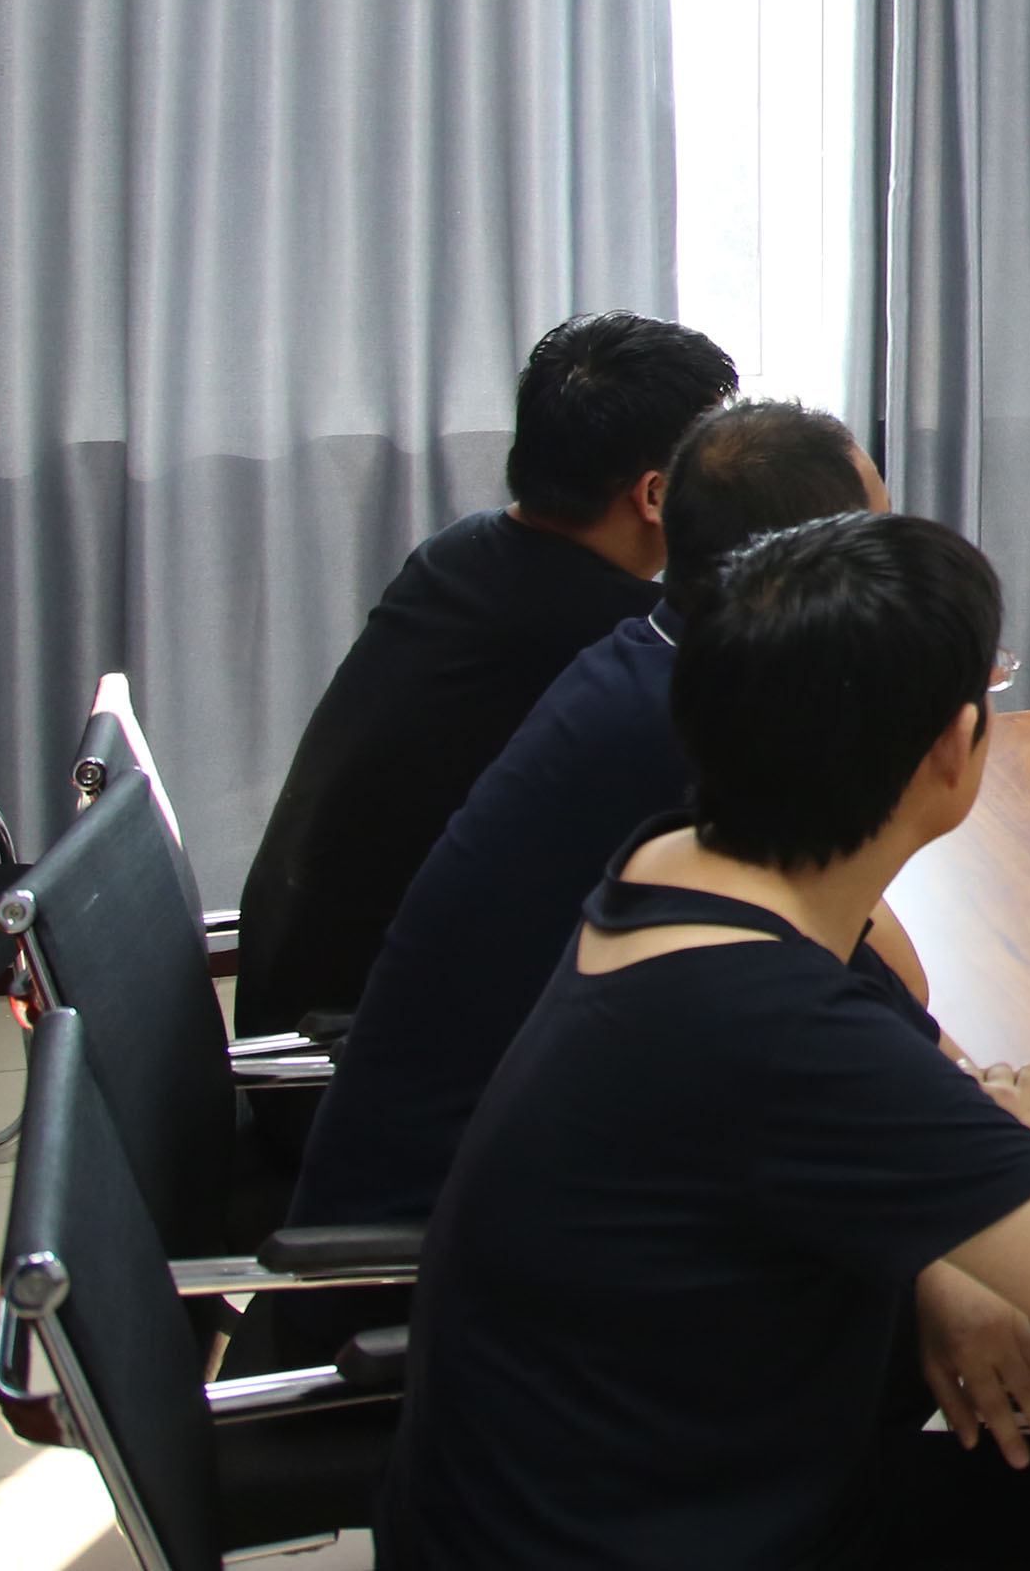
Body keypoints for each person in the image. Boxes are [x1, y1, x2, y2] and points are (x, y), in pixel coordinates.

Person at [381, 511, 1030, 1571]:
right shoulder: (771, 1026)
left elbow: (902, 1024)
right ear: (954, 747)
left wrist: (950, 1240)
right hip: (637, 1535)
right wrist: (992, 1177)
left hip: (555, 1497)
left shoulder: (674, 864)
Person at [289, 399, 889, 1233]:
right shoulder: (694, 733)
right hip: (468, 1232)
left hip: (482, 1147)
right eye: (881, 546)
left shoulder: (643, 660)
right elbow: (876, 1005)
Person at [235, 312, 737, 1039]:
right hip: (365, 1045)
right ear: (656, 494)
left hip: (305, 984)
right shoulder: (607, 636)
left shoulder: (464, 553)